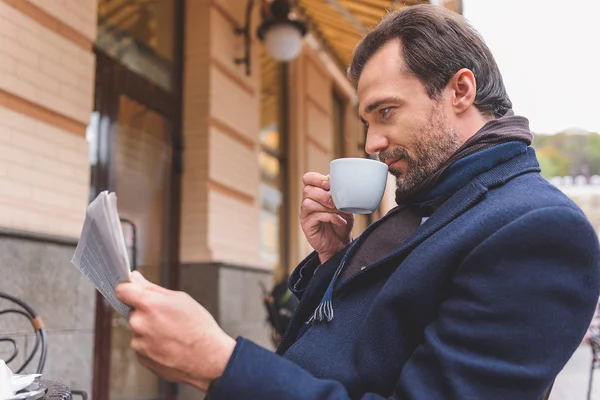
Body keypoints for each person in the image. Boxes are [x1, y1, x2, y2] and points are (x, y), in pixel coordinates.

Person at [115, 4, 600, 399]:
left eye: (385, 112)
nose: (371, 142)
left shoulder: (539, 229)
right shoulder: (436, 202)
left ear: (460, 90)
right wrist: (334, 260)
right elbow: (358, 349)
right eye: (367, 121)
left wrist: (220, 364)